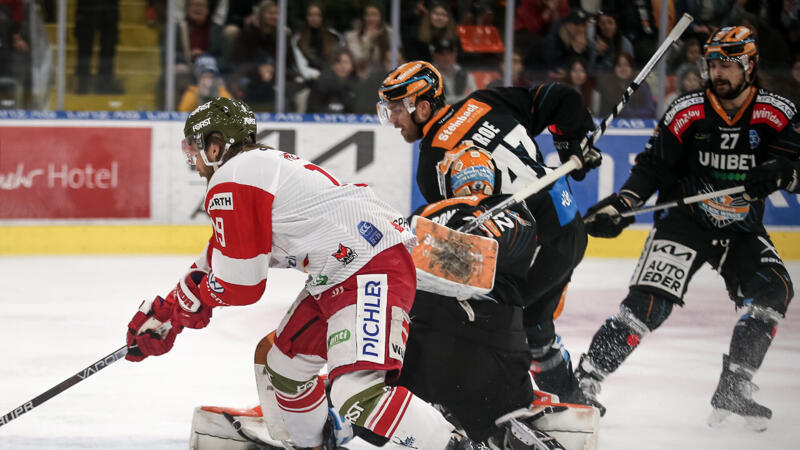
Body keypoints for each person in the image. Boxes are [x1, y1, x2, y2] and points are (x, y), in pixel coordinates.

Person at [123, 96, 481, 450]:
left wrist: (194, 301)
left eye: (196, 149)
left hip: (371, 269)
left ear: (216, 147)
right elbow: (214, 259)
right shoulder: (252, 170)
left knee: (357, 393)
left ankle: (455, 446)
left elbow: (242, 286)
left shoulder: (231, 180)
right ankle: (313, 444)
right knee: (282, 365)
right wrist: (169, 312)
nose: (194, 162)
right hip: (343, 274)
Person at [576, 26, 799, 429]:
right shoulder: (687, 110)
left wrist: (782, 173)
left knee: (776, 288)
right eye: (713, 64)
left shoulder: (777, 112)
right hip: (684, 224)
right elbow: (653, 167)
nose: (718, 73)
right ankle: (585, 379)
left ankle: (735, 384)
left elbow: (793, 165)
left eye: (728, 65)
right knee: (648, 304)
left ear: (751, 65)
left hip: (742, 229)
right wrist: (624, 203)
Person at [377, 61, 601, 405]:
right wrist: (571, 141)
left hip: (535, 242)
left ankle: (485, 403)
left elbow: (467, 239)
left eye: (395, 110)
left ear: (422, 106)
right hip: (569, 224)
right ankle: (572, 401)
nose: (392, 120)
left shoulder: (433, 160)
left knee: (482, 322)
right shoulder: (484, 101)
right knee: (534, 324)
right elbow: (562, 98)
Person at [396, 141, 569, 449]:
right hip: (500, 348)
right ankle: (499, 430)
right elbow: (547, 279)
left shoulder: (426, 214)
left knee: (393, 404)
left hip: (427, 342)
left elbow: (398, 270)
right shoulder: (522, 215)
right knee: (495, 421)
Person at [596, 51, 656, 118]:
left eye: (626, 65)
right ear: (614, 68)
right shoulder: (606, 87)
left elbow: (650, 111)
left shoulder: (642, 85)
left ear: (632, 67)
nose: (623, 69)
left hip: (641, 125)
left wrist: (630, 113)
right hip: (614, 126)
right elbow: (602, 114)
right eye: (619, 65)